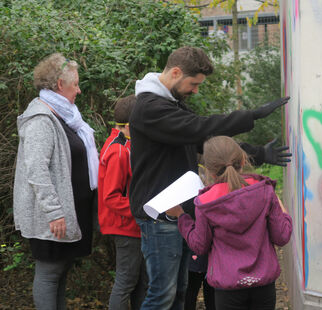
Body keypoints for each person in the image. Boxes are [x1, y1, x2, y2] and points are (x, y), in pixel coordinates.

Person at [129, 46, 290, 309]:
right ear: (176, 72)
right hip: (159, 215)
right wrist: (251, 116)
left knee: (180, 292)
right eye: (193, 84)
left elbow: (208, 143)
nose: (195, 91)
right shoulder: (149, 109)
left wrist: (258, 153)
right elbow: (201, 127)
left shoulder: (171, 105)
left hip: (179, 213)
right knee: (162, 295)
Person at [13, 52, 99, 310]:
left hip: (67, 213)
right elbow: (37, 170)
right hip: (51, 216)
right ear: (60, 85)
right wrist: (54, 212)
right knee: (50, 274)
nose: (80, 91)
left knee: (60, 274)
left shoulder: (65, 116)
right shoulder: (41, 119)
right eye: (76, 84)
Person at [169, 135, 293, 310]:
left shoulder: (206, 202)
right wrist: (284, 212)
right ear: (243, 160)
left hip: (227, 289)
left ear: (210, 171)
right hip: (264, 286)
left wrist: (181, 216)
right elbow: (282, 236)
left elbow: (200, 245)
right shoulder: (264, 191)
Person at [97, 94, 147, 310]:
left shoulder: (125, 143)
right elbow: (110, 197)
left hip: (133, 225)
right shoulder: (118, 150)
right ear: (132, 123)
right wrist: (141, 211)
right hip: (125, 227)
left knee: (140, 283)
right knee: (125, 282)